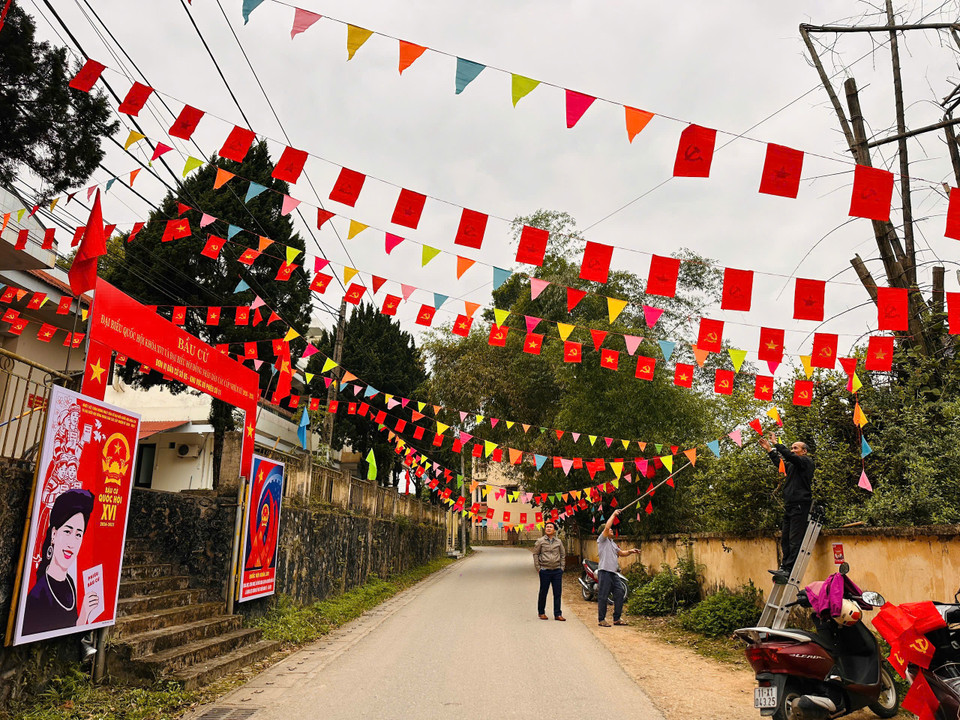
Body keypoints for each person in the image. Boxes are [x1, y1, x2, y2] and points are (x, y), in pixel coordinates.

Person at [21, 488, 99, 636]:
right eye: (67, 531)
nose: (72, 543)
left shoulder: (69, 582)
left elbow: (69, 631)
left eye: (78, 535)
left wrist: (84, 614)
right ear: (54, 534)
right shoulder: (37, 596)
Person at [759, 433, 815, 583]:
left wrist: (776, 443)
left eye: (796, 448)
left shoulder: (806, 462)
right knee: (785, 539)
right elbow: (780, 464)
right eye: (791, 448)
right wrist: (769, 449)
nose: (792, 450)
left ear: (804, 451)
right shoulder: (793, 466)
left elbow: (789, 457)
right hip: (789, 505)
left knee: (794, 539)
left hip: (800, 505)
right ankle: (784, 567)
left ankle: (789, 569)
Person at [597, 508, 641, 627]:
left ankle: (617, 618)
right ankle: (601, 619)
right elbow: (607, 527)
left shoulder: (612, 543)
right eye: (609, 529)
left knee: (620, 593)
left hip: (613, 573)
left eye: (611, 529)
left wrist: (631, 551)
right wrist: (614, 514)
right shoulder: (602, 540)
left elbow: (621, 553)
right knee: (603, 596)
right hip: (604, 572)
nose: (611, 530)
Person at [532, 521, 566, 621]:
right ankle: (541, 612)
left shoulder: (558, 542)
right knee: (543, 592)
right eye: (547, 527)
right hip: (544, 570)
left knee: (557, 593)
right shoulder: (540, 541)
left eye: (551, 527)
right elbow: (535, 554)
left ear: (554, 530)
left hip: (557, 571)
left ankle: (557, 614)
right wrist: (538, 568)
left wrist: (562, 567)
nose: (549, 528)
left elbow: (563, 555)